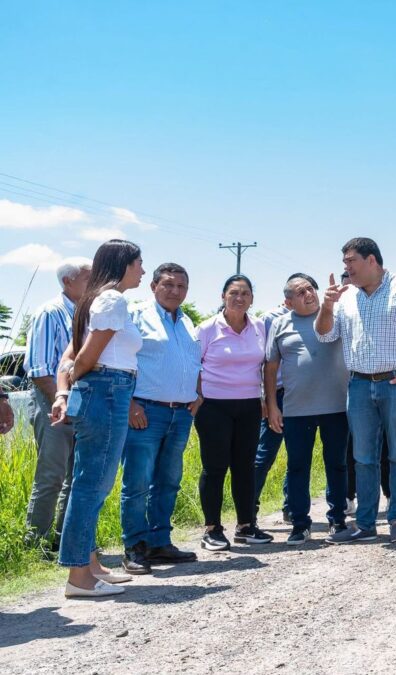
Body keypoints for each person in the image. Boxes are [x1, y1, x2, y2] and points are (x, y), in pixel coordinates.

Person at [317, 237, 396, 544]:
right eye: (344, 263)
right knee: (363, 457)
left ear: (371, 260)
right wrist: (327, 306)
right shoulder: (345, 298)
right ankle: (365, 524)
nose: (347, 268)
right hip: (359, 384)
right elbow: (325, 335)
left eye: (351, 261)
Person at [50, 239, 144, 598]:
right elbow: (85, 358)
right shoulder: (112, 299)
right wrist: (75, 382)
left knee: (92, 481)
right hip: (106, 389)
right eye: (138, 263)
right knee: (92, 484)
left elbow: (70, 357)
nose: (142, 271)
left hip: (104, 390)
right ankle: (79, 576)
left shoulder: (96, 300)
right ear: (123, 264)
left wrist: (64, 391)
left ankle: (89, 565)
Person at [118, 263, 202, 574]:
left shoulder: (187, 322)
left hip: (180, 413)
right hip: (145, 411)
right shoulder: (135, 314)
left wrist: (198, 393)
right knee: (138, 482)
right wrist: (129, 403)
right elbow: (121, 361)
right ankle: (135, 547)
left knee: (168, 481)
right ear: (153, 286)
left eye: (181, 286)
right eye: (168, 284)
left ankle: (159, 542)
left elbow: (192, 362)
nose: (175, 291)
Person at [264, 273, 349, 545]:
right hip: (296, 409)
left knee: (337, 464)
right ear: (289, 302)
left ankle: (338, 519)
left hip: (337, 406)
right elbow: (270, 367)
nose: (309, 294)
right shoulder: (279, 324)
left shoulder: (335, 315)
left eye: (311, 288)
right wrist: (271, 405)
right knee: (297, 467)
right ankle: (300, 524)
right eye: (301, 292)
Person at [195, 275, 273, 551]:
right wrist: (197, 396)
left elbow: (265, 365)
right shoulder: (207, 329)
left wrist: (265, 399)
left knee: (245, 467)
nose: (239, 298)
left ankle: (245, 525)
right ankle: (212, 529)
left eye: (245, 293)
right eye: (233, 293)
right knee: (215, 467)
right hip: (213, 406)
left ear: (252, 298)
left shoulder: (259, 327)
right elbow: (193, 365)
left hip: (249, 405)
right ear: (223, 296)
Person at [22, 257, 91, 549]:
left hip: (82, 402)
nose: (95, 283)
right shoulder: (50, 312)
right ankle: (35, 544)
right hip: (54, 400)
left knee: (77, 476)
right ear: (68, 281)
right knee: (52, 475)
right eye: (88, 278)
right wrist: (60, 402)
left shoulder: (88, 314)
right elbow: (39, 369)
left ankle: (65, 542)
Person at [253, 299, 291, 523]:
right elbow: (261, 359)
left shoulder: (314, 318)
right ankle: (249, 509)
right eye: (300, 291)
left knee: (297, 455)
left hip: (302, 396)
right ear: (287, 297)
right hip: (277, 395)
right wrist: (265, 398)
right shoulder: (271, 318)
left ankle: (291, 507)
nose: (307, 296)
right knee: (264, 454)